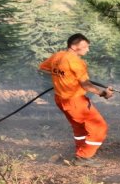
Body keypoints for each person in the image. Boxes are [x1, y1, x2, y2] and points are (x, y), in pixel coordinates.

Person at [39, 33, 114, 167]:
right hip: (75, 101)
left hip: (61, 99)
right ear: (74, 46)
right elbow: (86, 85)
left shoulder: (58, 56)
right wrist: (104, 93)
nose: (88, 50)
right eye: (85, 46)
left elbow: (43, 68)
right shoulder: (76, 62)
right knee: (99, 127)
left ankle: (81, 151)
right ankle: (84, 157)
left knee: (79, 128)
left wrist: (62, 75)